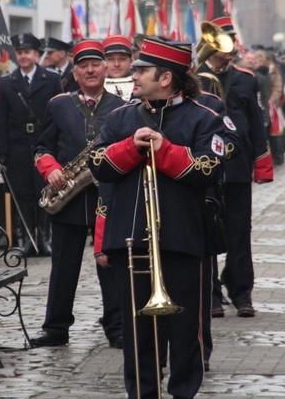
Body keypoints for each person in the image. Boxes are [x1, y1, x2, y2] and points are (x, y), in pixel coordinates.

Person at [89, 37, 226, 398]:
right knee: (138, 335)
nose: (133, 76)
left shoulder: (205, 118)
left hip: (183, 239)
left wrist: (165, 149)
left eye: (141, 70)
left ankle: (183, 392)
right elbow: (98, 166)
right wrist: (130, 147)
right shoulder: (120, 117)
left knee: (185, 333)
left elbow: (209, 169)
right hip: (129, 240)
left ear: (165, 78)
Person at [30, 39, 125, 348]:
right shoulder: (58, 104)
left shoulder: (123, 106)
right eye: (83, 66)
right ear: (75, 72)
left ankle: (118, 328)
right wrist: (51, 169)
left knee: (110, 266)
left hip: (107, 200)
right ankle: (56, 329)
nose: (90, 70)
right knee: (63, 268)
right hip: (68, 199)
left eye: (96, 64)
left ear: (106, 68)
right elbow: (42, 147)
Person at [196, 16, 273, 318]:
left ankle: (242, 292)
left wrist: (262, 165)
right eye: (222, 42)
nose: (229, 49)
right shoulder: (194, 76)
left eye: (231, 41)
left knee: (240, 231)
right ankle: (211, 293)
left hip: (237, 166)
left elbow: (256, 122)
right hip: (204, 165)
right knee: (206, 231)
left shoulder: (246, 78)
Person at [0, 33, 62, 256]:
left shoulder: (51, 79)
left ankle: (45, 236)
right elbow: (1, 120)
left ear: (36, 54)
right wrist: (1, 154)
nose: (23, 56)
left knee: (44, 189)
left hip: (44, 143)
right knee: (23, 194)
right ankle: (27, 238)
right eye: (20, 52)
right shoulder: (7, 83)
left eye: (27, 52)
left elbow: (59, 114)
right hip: (18, 146)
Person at [102, 35, 135, 101]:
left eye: (122, 59)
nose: (116, 64)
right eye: (111, 59)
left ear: (131, 62)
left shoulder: (141, 85)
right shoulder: (95, 87)